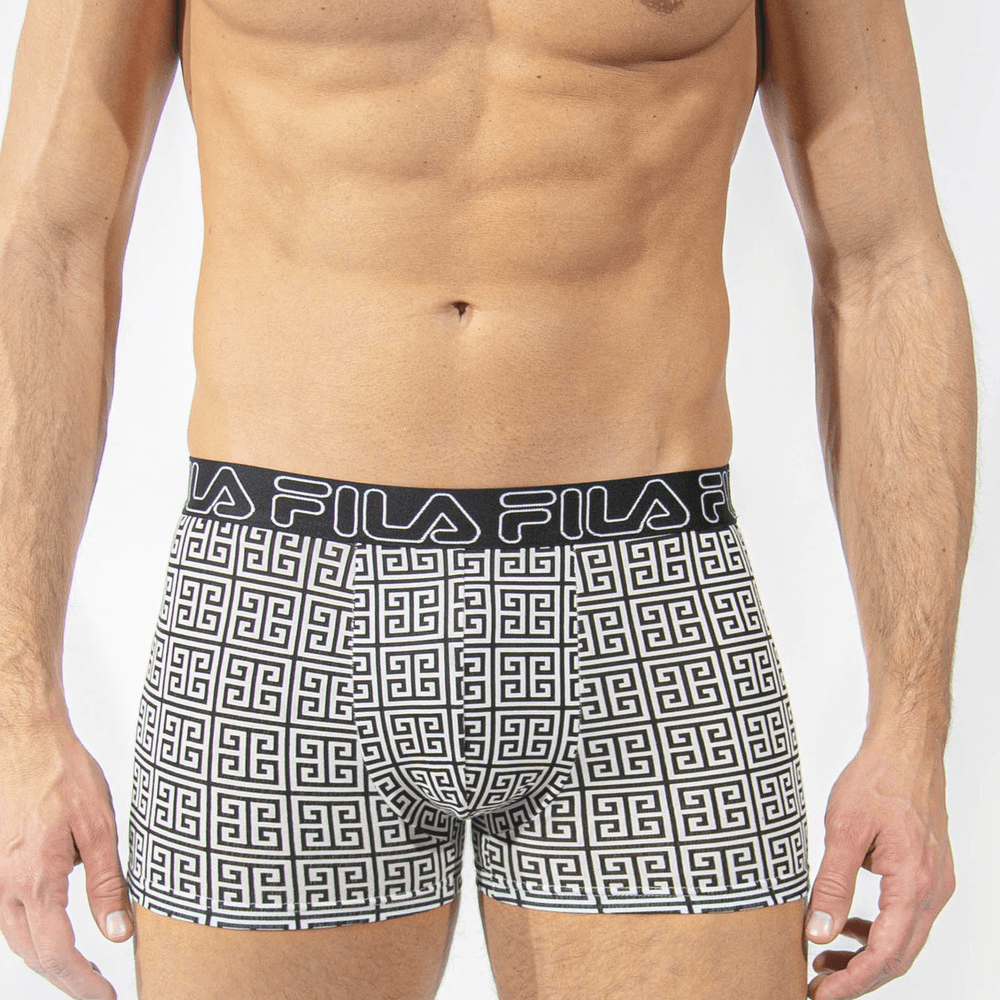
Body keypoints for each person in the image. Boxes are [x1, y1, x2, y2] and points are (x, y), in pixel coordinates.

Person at [0, 0, 976, 998]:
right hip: (279, 606)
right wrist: (19, 714)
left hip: (650, 614)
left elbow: (885, 256)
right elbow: (46, 242)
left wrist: (911, 729)